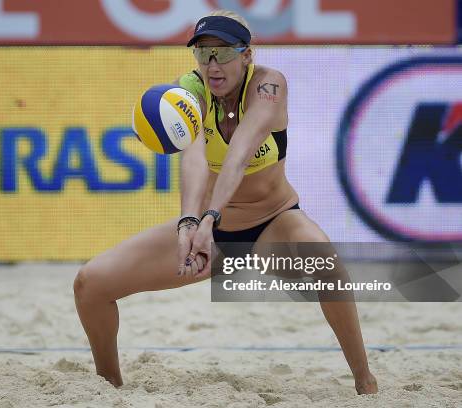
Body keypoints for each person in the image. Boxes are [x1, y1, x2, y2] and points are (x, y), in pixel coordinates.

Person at [74, 9, 378, 395]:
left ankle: (365, 382)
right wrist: (190, 222)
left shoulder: (269, 85)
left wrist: (209, 217)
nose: (211, 64)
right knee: (90, 284)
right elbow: (195, 159)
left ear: (247, 55)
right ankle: (108, 386)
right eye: (202, 53)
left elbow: (238, 154)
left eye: (223, 52)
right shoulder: (190, 91)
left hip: (273, 223)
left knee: (327, 265)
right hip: (212, 236)